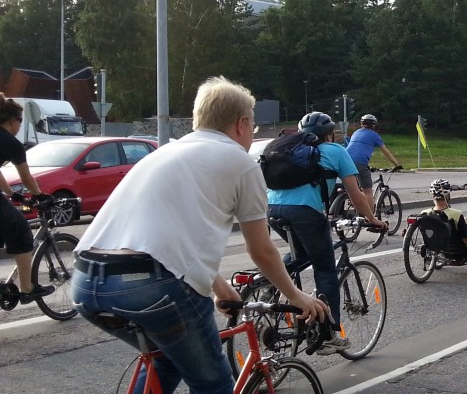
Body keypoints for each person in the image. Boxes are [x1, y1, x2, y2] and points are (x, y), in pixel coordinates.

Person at [71, 77, 329, 394]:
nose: (252, 134)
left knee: (166, 359)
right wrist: (296, 296)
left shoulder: (164, 153)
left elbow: (170, 236)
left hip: (86, 281)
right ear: (241, 124)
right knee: (214, 384)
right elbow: (261, 250)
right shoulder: (241, 162)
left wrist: (218, 286)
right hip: (152, 284)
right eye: (253, 127)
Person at [268, 112, 385, 356]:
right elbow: (356, 195)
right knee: (325, 269)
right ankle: (328, 334)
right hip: (306, 213)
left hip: (273, 210)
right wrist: (372, 219)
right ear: (330, 134)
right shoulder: (335, 150)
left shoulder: (288, 149)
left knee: (301, 254)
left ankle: (270, 283)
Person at [0, 94, 52, 303]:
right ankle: (27, 289)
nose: (20, 126)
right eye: (20, 121)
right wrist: (39, 195)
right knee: (21, 231)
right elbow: (27, 178)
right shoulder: (11, 143)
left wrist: (12, 194)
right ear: (12, 120)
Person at [423, 179, 467, 261]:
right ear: (447, 196)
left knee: (466, 219)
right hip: (462, 252)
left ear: (433, 196)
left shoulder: (425, 214)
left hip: (441, 252)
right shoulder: (456, 214)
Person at [345, 114, 402, 204]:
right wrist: (397, 165)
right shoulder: (374, 135)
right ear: (373, 125)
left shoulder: (356, 132)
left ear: (362, 123)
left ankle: (351, 201)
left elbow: (356, 150)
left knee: (353, 187)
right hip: (359, 163)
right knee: (367, 191)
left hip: (345, 160)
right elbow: (386, 152)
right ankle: (370, 213)